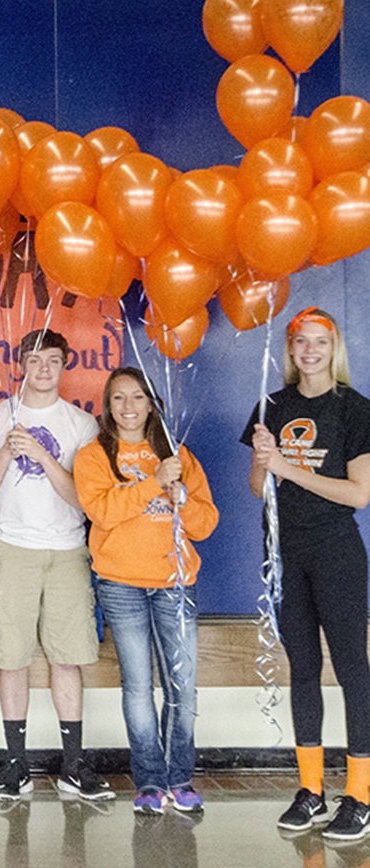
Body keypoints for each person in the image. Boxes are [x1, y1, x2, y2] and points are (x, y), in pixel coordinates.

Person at [0, 329, 112, 802]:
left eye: (53, 360)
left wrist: (43, 454)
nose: (43, 369)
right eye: (34, 359)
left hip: (68, 550)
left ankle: (73, 766)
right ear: (21, 365)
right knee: (11, 659)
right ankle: (16, 766)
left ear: (65, 365)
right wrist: (8, 451)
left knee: (67, 658)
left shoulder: (82, 426)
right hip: (12, 549)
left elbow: (84, 501)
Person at [247, 307, 370, 841]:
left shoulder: (354, 409)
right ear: (291, 348)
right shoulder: (272, 406)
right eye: (302, 341)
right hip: (285, 554)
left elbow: (359, 494)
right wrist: (263, 461)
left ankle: (361, 796)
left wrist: (288, 468)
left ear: (333, 347)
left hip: (336, 552)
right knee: (301, 668)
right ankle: (311, 791)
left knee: (351, 669)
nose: (311, 351)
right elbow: (259, 488)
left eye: (321, 342)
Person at [74, 367, 217, 815]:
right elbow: (101, 511)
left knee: (183, 687)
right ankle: (150, 782)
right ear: (108, 406)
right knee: (138, 687)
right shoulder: (93, 456)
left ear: (151, 404)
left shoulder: (178, 455)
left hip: (175, 583)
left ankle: (181, 778)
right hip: (121, 584)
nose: (129, 407)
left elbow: (206, 525)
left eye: (138, 397)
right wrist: (151, 484)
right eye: (119, 399)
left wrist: (182, 497)